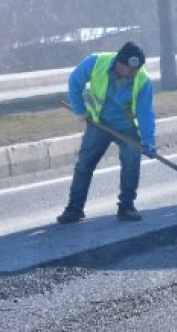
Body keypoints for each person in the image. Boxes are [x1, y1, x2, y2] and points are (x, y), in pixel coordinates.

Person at [57, 41, 157, 224]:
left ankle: (126, 206)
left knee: (131, 162)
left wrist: (149, 141)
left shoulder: (142, 80)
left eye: (136, 70)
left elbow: (145, 112)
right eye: (129, 69)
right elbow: (75, 81)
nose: (133, 74)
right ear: (119, 63)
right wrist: (80, 111)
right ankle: (74, 208)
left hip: (125, 127)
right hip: (98, 123)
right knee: (84, 165)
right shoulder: (95, 62)